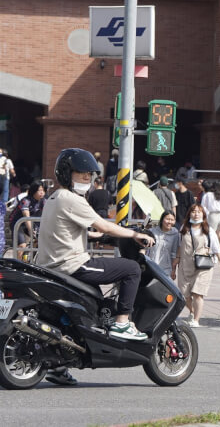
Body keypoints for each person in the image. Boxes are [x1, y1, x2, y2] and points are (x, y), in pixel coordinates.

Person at [34, 148, 155, 385]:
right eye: (81, 175)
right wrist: (134, 234)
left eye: (90, 175)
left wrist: (98, 237)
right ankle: (122, 324)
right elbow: (105, 225)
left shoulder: (54, 198)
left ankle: (58, 366)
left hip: (51, 266)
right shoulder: (73, 199)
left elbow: (73, 232)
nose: (87, 179)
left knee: (94, 305)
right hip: (73, 265)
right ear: (67, 174)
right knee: (130, 268)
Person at [174, 204, 220, 327]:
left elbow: (216, 248)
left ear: (203, 214)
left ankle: (196, 320)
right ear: (189, 214)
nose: (196, 214)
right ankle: (192, 312)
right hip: (185, 265)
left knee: (197, 293)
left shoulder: (208, 230)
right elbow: (179, 245)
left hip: (203, 266)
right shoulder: (184, 228)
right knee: (184, 294)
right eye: (193, 211)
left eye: (199, 212)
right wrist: (176, 261)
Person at [10, 181, 45, 258]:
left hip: (30, 223)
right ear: (33, 191)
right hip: (17, 223)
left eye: (43, 190)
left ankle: (30, 261)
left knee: (39, 240)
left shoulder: (43, 201)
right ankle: (18, 265)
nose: (42, 193)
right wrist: (31, 231)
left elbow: (48, 213)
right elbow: (26, 216)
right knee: (22, 245)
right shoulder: (26, 200)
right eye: (39, 190)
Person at [148, 211, 180, 276]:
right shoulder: (152, 231)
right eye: (167, 219)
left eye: (172, 220)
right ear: (162, 220)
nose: (169, 222)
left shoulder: (175, 234)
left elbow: (174, 253)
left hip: (166, 269)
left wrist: (173, 270)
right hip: (151, 266)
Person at [201, 183, 220, 258]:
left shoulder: (208, 195)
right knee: (218, 236)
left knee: (210, 235)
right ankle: (217, 254)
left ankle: (211, 252)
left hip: (212, 215)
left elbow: (203, 206)